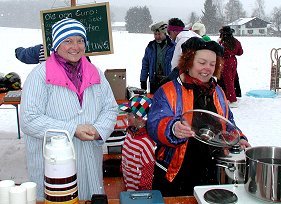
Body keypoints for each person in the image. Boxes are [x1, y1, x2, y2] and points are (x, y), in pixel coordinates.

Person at [20, 18, 118, 200]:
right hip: (53, 165)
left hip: (89, 160)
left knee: (89, 198)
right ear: (56, 45)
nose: (75, 46)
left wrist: (99, 129)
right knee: (59, 199)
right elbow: (29, 119)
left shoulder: (94, 72)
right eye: (68, 41)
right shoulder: (39, 76)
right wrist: (72, 129)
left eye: (80, 40)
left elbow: (110, 108)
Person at [147, 37, 250, 197]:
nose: (207, 68)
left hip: (212, 170)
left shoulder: (218, 92)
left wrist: (238, 138)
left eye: (212, 64)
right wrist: (173, 128)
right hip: (176, 173)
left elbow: (227, 122)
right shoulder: (168, 90)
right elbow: (154, 124)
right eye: (202, 63)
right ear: (188, 61)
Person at [119, 95, 156, 191]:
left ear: (139, 118)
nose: (126, 116)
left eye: (129, 114)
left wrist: (143, 191)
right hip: (129, 184)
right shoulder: (130, 133)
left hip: (139, 191)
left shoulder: (146, 143)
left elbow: (148, 171)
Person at [140, 21, 175, 94]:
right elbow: (145, 64)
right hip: (154, 81)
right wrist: (143, 80)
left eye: (159, 34)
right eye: (155, 34)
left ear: (165, 33)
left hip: (168, 81)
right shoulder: (150, 47)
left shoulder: (173, 46)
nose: (157, 36)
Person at [218, 26, 243, 107]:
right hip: (233, 61)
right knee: (232, 79)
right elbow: (240, 52)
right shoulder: (236, 41)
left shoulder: (222, 43)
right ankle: (231, 96)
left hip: (225, 62)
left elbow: (219, 53)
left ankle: (232, 99)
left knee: (227, 81)